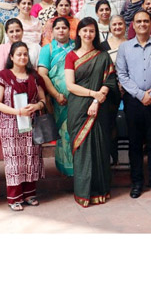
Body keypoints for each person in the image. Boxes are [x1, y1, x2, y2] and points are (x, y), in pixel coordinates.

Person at [116, 10, 151, 198]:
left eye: (146, 21)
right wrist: (141, 95)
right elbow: (122, 75)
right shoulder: (124, 48)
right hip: (133, 101)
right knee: (134, 143)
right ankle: (137, 183)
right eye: (139, 21)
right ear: (133, 24)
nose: (142, 24)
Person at [65, 18, 118, 207]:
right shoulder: (71, 56)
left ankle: (100, 191)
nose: (88, 34)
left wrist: (96, 100)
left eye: (92, 31)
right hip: (78, 108)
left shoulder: (102, 56)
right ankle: (83, 193)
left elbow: (109, 81)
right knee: (82, 151)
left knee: (100, 148)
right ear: (79, 32)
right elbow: (70, 86)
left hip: (99, 107)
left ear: (96, 34)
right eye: (85, 30)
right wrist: (92, 94)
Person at [0, 42, 46, 211]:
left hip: (31, 124)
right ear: (11, 57)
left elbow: (43, 101)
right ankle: (14, 198)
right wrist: (17, 112)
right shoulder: (2, 76)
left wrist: (36, 106)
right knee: (14, 161)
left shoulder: (34, 76)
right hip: (10, 124)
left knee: (31, 158)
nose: (22, 57)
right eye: (19, 54)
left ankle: (29, 194)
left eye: (25, 54)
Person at [38, 17, 76, 177]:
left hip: (78, 99)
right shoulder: (47, 49)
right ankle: (67, 169)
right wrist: (56, 94)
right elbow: (42, 74)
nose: (61, 30)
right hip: (59, 101)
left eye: (64, 27)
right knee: (64, 134)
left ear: (69, 30)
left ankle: (80, 170)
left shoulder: (77, 46)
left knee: (77, 133)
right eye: (57, 28)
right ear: (52, 31)